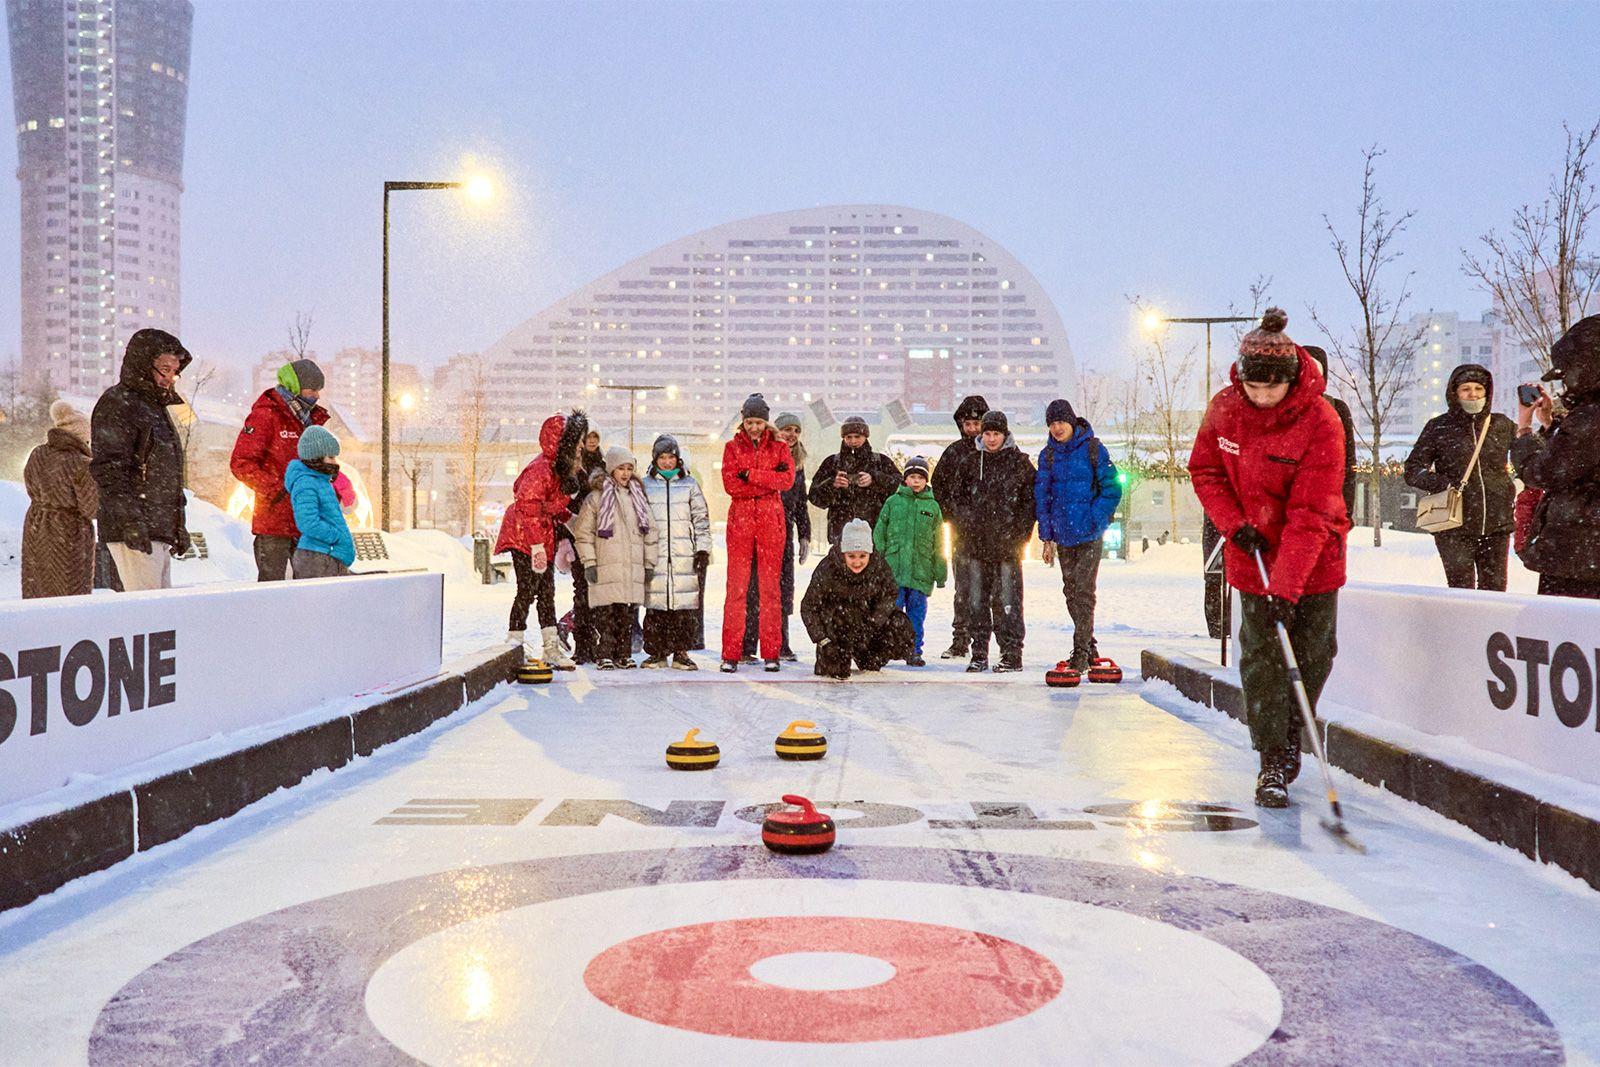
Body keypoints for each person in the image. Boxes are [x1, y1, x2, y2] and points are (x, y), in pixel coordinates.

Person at [1188, 309, 1349, 809]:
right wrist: (1233, 521)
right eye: (1252, 387)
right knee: (1261, 660)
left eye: (1270, 389)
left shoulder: (1321, 422)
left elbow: (1311, 512)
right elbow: (1206, 471)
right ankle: (1272, 757)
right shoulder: (1225, 409)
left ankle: (1295, 735)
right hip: (1251, 554)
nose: (1260, 398)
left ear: (1291, 378)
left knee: (1312, 655)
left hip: (1313, 559)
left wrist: (1288, 586)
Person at [90, 328, 191, 592]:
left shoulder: (156, 409)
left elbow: (167, 476)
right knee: (146, 617)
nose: (170, 378)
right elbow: (109, 470)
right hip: (134, 531)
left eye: (174, 371)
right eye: (164, 369)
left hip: (156, 529)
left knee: (160, 616)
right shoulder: (118, 404)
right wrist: (130, 522)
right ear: (144, 364)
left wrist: (178, 525)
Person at [1403, 364, 1516, 590]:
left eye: (1478, 388)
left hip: (1497, 525)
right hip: (1454, 526)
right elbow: (1413, 469)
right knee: (1460, 589)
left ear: (1487, 392)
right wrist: (1444, 484)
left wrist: (1513, 487)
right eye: (1466, 388)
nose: (1472, 394)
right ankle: (1463, 626)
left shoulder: (1501, 425)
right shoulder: (1439, 427)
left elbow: (1529, 456)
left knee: (1495, 590)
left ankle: (1490, 627)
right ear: (1454, 393)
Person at [1511, 315, 1600, 598]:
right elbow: (1580, 459)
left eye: (1566, 374)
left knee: (1564, 633)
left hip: (1581, 556)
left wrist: (1524, 430)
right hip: (1585, 555)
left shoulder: (1591, 417)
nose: (1565, 386)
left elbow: (1544, 472)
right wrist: (1551, 425)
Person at [1034, 398, 1121, 671]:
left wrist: (1096, 518)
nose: (1057, 428)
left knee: (1084, 591)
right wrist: (1047, 535)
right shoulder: (1047, 456)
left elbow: (1112, 488)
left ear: (1071, 422)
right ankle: (1090, 644)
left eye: (1061, 422)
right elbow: (1043, 497)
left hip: (1089, 533)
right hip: (1063, 534)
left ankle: (1081, 651)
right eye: (1052, 424)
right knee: (1071, 591)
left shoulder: (1094, 449)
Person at [949, 409, 1036, 673]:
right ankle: (979, 653)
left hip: (1007, 547)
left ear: (1005, 434)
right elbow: (957, 499)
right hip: (974, 545)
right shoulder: (969, 463)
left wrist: (1020, 534)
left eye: (996, 433)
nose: (991, 438)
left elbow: (1029, 503)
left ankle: (1011, 653)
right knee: (976, 600)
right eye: (987, 433)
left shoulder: (1020, 463)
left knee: (1007, 601)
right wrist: (964, 526)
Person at [497, 411, 586, 668]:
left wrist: (570, 519)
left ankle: (551, 648)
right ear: (565, 442)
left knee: (547, 591)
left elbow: (550, 506)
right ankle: (514, 643)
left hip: (540, 534)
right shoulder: (540, 470)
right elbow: (529, 508)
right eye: (578, 440)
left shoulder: (559, 469)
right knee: (527, 590)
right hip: (522, 535)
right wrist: (536, 547)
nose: (582, 445)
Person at [230, 359, 330, 581]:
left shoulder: (311, 419)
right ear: (294, 386)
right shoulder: (266, 415)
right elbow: (241, 462)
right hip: (274, 523)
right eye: (312, 389)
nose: (317, 395)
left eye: (319, 390)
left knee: (310, 589)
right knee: (272, 588)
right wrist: (278, 489)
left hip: (307, 521)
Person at [720, 394, 795, 672]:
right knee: (736, 588)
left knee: (770, 590)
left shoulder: (779, 447)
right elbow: (731, 485)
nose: (754, 427)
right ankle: (731, 653)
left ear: (766, 422)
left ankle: (772, 652)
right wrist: (767, 481)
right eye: (750, 422)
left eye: (759, 422)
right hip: (740, 521)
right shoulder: (731, 448)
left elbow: (786, 481)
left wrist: (750, 475)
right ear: (743, 421)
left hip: (770, 522)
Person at [572, 445, 659, 668]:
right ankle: (604, 654)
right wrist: (589, 562)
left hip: (630, 567)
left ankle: (623, 652)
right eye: (621, 468)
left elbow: (650, 532)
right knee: (605, 615)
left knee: (626, 615)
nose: (626, 473)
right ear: (611, 469)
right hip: (606, 566)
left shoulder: (637, 497)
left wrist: (649, 563)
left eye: (629, 468)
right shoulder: (596, 498)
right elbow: (583, 533)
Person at [801, 519, 916, 679]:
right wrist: (822, 640)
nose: (857, 562)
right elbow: (809, 606)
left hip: (865, 629)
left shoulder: (879, 566)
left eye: (862, 556)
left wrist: (873, 623)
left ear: (870, 553)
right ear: (843, 553)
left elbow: (890, 595)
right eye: (851, 556)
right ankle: (835, 657)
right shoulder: (827, 569)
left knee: (899, 624)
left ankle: (869, 657)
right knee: (834, 671)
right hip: (836, 632)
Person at [743, 411, 812, 662]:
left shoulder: (799, 464)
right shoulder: (767, 453)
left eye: (796, 430)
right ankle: (748, 644)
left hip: (784, 531)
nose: (792, 434)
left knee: (781, 590)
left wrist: (805, 535)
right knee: (754, 588)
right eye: (787, 429)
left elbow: (800, 503)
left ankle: (781, 642)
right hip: (759, 528)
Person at [642, 435, 711, 669]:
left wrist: (702, 549)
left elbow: (701, 519)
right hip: (656, 556)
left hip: (684, 556)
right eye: (662, 457)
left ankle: (681, 652)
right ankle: (657, 652)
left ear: (678, 459)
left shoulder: (690, 485)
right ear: (655, 459)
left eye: (671, 457)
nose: (667, 462)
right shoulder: (645, 485)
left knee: (683, 608)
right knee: (656, 606)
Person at [871, 456, 946, 666]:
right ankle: (885, 649)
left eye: (920, 478)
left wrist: (940, 572)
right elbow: (880, 532)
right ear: (905, 479)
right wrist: (879, 561)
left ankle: (914, 650)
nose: (915, 481)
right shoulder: (892, 502)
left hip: (921, 573)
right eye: (912, 477)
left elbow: (939, 543)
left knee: (916, 615)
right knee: (889, 613)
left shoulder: (932, 507)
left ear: (926, 481)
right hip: (893, 572)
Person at [932, 394, 989, 659]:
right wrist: (952, 515)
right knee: (963, 589)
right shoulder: (953, 453)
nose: (973, 429)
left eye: (978, 423)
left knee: (991, 591)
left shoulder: (994, 452)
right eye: (968, 424)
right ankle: (960, 639)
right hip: (962, 532)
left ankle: (987, 641)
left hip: (993, 533)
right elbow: (939, 487)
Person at [21, 401, 98, 598]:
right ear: (82, 436)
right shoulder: (82, 464)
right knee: (69, 592)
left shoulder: (37, 453)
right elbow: (91, 508)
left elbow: (30, 486)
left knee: (37, 586)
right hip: (69, 530)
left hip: (36, 524)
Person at [806, 416, 901, 546]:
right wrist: (832, 485)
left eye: (857, 436)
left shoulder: (881, 461)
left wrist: (875, 479)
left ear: (865, 436)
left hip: (875, 533)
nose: (853, 441)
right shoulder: (832, 462)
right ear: (843, 438)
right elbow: (814, 497)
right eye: (848, 437)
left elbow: (901, 488)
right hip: (840, 535)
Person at [285, 426, 356, 578]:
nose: (335, 462)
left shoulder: (321, 481)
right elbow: (307, 522)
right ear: (316, 457)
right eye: (330, 457)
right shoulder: (306, 484)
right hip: (318, 558)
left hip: (326, 556)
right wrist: (336, 536)